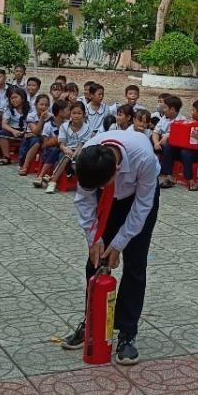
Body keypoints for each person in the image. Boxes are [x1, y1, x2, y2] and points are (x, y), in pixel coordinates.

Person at [60, 128, 161, 362]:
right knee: (95, 261)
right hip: (108, 202)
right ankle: (92, 322)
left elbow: (142, 207)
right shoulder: (88, 158)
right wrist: (94, 239)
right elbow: (84, 200)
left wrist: (118, 245)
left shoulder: (143, 157)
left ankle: (127, 332)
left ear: (116, 171)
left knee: (135, 263)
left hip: (138, 199)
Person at [159, 98, 198, 191]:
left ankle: (190, 180)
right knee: (169, 147)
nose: (191, 112)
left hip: (197, 154)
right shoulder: (188, 123)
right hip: (183, 150)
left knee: (185, 152)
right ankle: (169, 176)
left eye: (193, 110)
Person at [43, 100, 90, 193]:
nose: (76, 115)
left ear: (84, 114)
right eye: (74, 113)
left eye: (79, 113)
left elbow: (81, 144)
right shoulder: (64, 126)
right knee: (67, 158)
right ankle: (53, 183)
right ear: (70, 114)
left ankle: (52, 179)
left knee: (73, 160)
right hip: (66, 151)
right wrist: (65, 148)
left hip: (80, 151)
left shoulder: (87, 128)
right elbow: (61, 143)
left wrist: (74, 154)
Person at [32, 99, 72, 188]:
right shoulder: (48, 125)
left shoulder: (68, 124)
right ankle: (43, 176)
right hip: (48, 151)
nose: (70, 112)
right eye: (68, 110)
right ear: (60, 112)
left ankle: (44, 177)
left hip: (62, 150)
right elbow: (44, 144)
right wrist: (57, 140)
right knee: (55, 150)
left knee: (60, 153)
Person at [18, 92, 50, 175]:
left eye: (46, 105)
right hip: (30, 138)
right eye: (41, 104)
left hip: (44, 138)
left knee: (37, 140)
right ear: (36, 105)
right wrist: (42, 119)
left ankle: (27, 166)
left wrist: (36, 134)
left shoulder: (50, 116)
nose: (43, 107)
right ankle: (25, 165)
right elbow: (36, 130)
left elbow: (47, 132)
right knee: (36, 141)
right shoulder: (31, 115)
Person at [0, 87, 28, 163]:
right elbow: (4, 124)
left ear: (23, 97)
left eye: (16, 97)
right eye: (11, 98)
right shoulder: (9, 109)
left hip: (27, 130)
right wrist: (13, 131)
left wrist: (26, 131)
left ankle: (24, 159)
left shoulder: (30, 108)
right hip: (13, 129)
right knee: (2, 133)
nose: (13, 100)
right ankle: (6, 157)